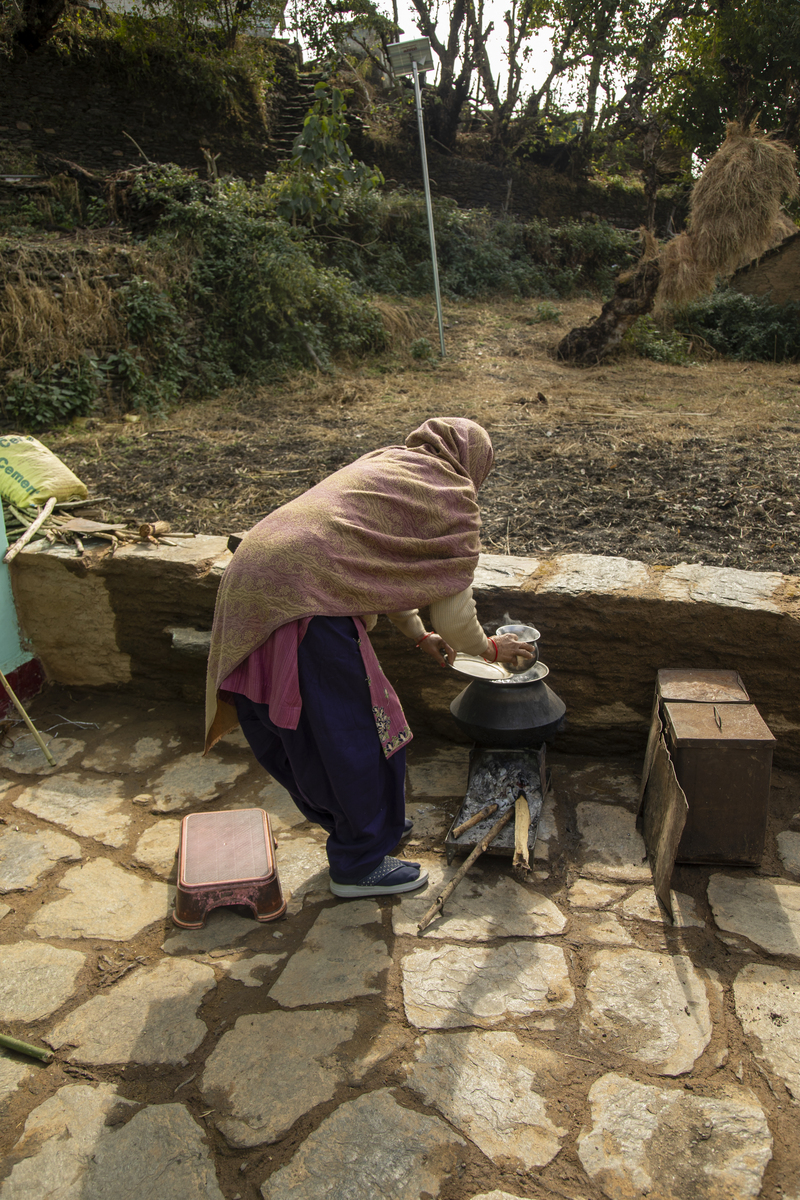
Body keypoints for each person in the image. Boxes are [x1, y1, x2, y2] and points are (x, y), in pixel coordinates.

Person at [205, 417, 533, 899]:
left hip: (254, 587)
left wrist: (419, 635)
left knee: (304, 733)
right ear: (476, 463)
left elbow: (379, 563)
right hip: (304, 608)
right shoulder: (448, 495)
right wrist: (490, 650)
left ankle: (369, 825)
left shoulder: (390, 464)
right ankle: (359, 863)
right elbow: (455, 614)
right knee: (357, 735)